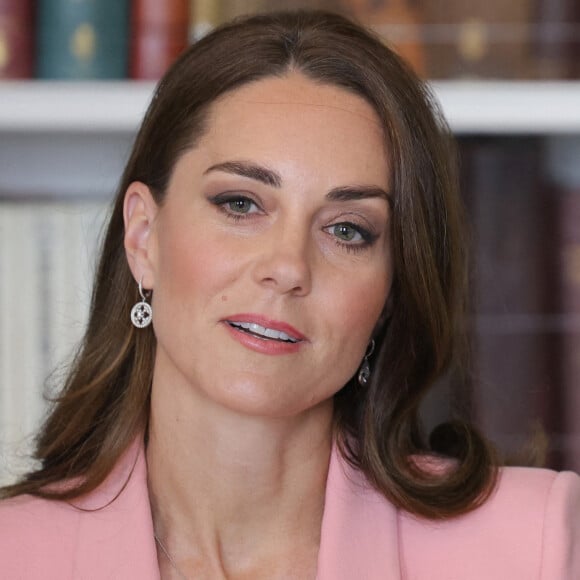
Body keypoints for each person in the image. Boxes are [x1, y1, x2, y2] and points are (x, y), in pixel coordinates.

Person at [1, 10, 579, 579]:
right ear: (144, 237)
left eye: (346, 230)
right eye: (241, 204)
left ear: (391, 291)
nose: (287, 267)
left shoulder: (536, 548)